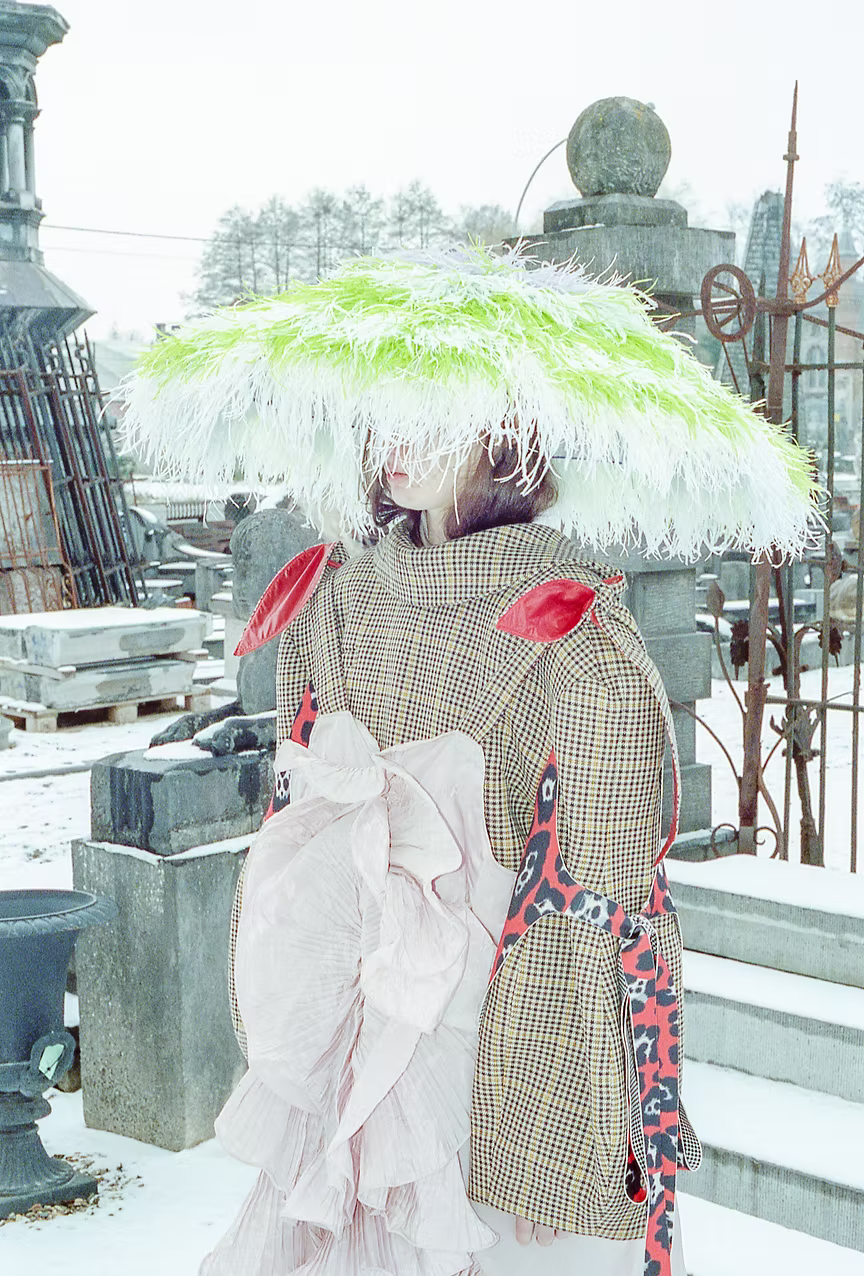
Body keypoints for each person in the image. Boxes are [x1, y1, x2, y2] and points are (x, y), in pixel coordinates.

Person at [122, 244, 816, 1276]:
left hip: (501, 1023)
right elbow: (295, 800)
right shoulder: (336, 596)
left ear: (508, 440)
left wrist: (576, 1104)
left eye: (433, 416)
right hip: (352, 994)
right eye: (386, 414)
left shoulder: (574, 627)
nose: (396, 445)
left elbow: (605, 886)